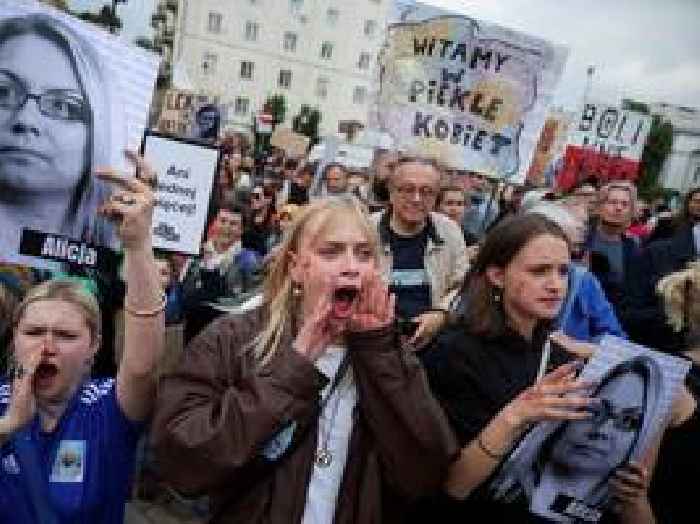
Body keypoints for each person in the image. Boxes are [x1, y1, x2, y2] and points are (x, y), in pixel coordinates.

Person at [151, 195, 457, 523]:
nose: (351, 266)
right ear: (296, 267)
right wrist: (292, 369)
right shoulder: (234, 338)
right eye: (331, 251)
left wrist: (381, 354)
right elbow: (180, 459)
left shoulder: (388, 351)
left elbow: (426, 472)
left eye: (364, 254)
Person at [420, 214, 651, 522]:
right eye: (539, 271)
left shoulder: (560, 351)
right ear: (497, 275)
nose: (556, 285)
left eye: (563, 271)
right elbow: (452, 485)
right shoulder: (453, 352)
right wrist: (516, 416)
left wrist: (614, 481)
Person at [0, 152, 164, 523]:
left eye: (66, 335)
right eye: (34, 332)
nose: (47, 346)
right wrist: (8, 426)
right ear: (14, 338)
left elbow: (142, 366)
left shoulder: (107, 408)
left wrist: (138, 244)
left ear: (94, 347)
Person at [0, 13, 123, 263]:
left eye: (63, 106)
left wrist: (141, 245)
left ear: (98, 133)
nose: (26, 120)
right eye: (3, 92)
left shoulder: (113, 263)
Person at [505, 356, 662, 523]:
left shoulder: (628, 511)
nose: (602, 430)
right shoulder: (503, 481)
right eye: (593, 410)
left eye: (629, 421)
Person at [372, 157, 469, 349]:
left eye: (426, 191)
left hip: (433, 342)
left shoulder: (449, 231)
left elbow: (464, 286)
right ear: (391, 192)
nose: (417, 199)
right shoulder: (366, 229)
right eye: (408, 189)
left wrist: (441, 314)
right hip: (375, 341)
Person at [529, 202, 625, 343]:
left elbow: (615, 338)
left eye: (572, 248)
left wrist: (578, 347)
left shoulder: (582, 280)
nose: (555, 285)